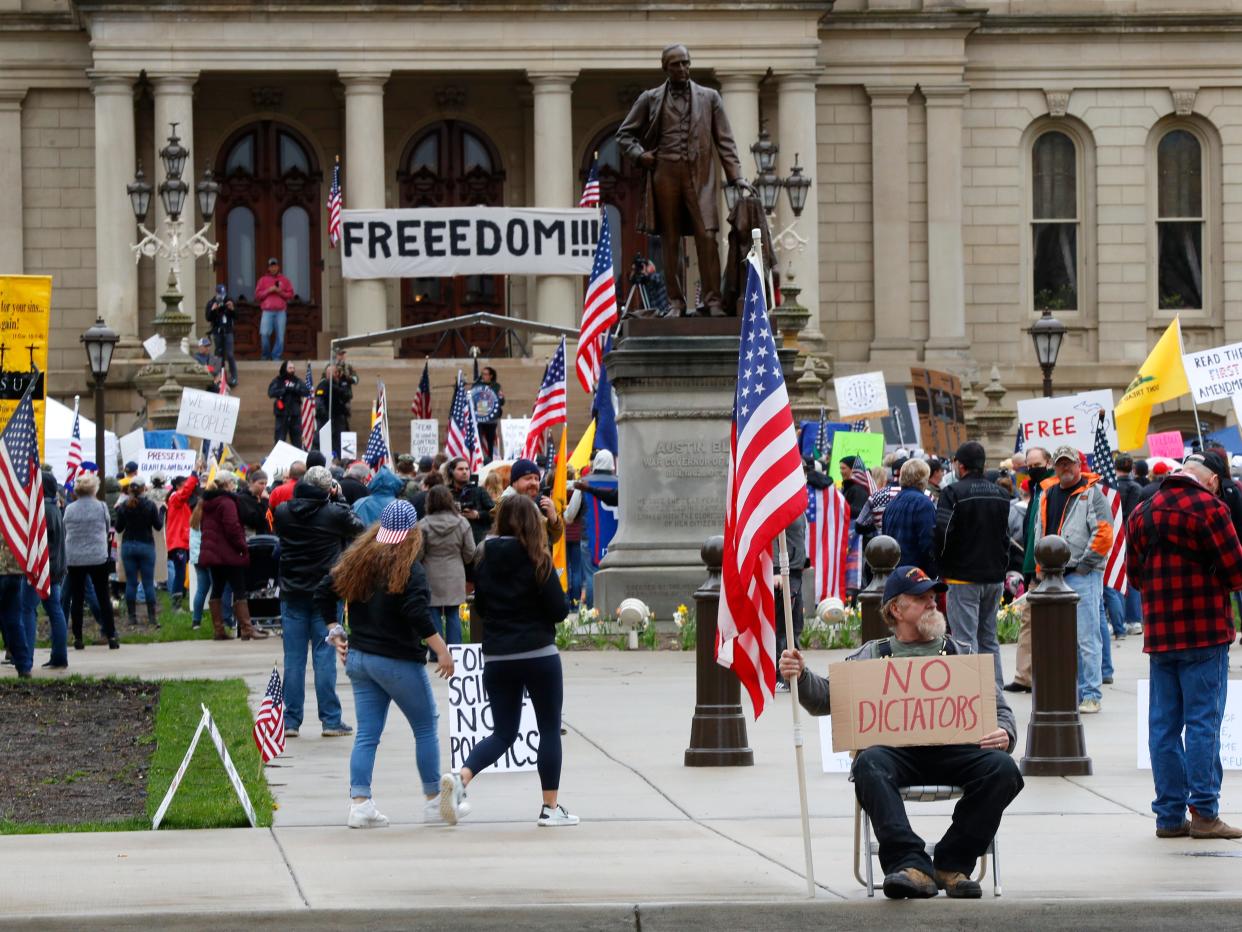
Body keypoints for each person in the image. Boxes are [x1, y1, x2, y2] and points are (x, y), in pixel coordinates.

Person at [779, 565, 1022, 900]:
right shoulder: (873, 655)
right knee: (868, 764)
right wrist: (802, 674)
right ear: (896, 608)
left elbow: (1002, 711)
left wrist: (1005, 733)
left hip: (954, 751)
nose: (932, 602)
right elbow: (825, 698)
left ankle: (952, 864)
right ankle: (910, 865)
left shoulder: (961, 653)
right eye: (921, 598)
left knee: (1003, 769)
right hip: (897, 755)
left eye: (933, 596)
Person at [439, 494, 574, 827]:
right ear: (532, 523)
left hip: (498, 657)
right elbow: (559, 610)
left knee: (502, 733)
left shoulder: (485, 561)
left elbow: (480, 608)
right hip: (539, 653)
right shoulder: (538, 559)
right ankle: (549, 808)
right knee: (548, 730)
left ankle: (462, 778)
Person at [1127, 452, 1242, 839]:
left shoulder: (1141, 512)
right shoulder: (1211, 508)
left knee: (1163, 726)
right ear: (1211, 480)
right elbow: (1236, 571)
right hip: (1205, 632)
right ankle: (1206, 813)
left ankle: (1169, 816)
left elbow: (1136, 576)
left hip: (1161, 636)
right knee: (1203, 724)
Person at [319, 499, 453, 829]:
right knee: (425, 727)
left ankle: (360, 804)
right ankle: (434, 800)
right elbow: (418, 614)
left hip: (360, 658)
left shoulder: (359, 560)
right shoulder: (410, 569)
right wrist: (442, 650)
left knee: (367, 733)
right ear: (412, 533)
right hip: (396, 661)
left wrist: (334, 630)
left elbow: (323, 591)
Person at [616, 44, 744, 317]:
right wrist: (640, 156)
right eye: (676, 64)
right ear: (666, 68)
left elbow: (725, 141)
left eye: (686, 63)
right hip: (665, 174)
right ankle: (676, 301)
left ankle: (712, 300)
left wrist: (737, 177)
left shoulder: (710, 98)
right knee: (670, 240)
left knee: (707, 236)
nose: (683, 68)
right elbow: (624, 135)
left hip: (700, 176)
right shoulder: (650, 98)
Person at [273, 465, 362, 738]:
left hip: (292, 590)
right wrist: (339, 497)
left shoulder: (283, 512)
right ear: (327, 489)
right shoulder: (333, 513)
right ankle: (331, 720)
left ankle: (290, 721)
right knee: (324, 657)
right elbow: (358, 527)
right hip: (326, 592)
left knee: (294, 658)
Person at [1033, 445, 1113, 714]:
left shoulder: (1092, 494)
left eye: (1069, 463)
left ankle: (1091, 694)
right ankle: (1075, 693)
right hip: (1053, 575)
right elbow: (1040, 530)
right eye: (1060, 464)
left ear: (1080, 465)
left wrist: (1084, 565)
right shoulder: (1047, 493)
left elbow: (1104, 533)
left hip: (1082, 575)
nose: (1065, 468)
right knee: (1063, 639)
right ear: (1054, 467)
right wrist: (1040, 565)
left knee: (1087, 637)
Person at [933, 441, 1011, 695]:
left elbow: (943, 533)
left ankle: (970, 695)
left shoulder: (952, 492)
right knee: (989, 637)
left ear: (960, 465)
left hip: (962, 577)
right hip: (994, 576)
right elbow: (1005, 536)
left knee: (964, 639)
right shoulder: (1000, 493)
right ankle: (994, 693)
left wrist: (940, 564)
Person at [198, 470, 269, 641]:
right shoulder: (227, 502)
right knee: (239, 588)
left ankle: (219, 629)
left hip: (213, 553)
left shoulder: (208, 502)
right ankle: (247, 628)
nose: (235, 486)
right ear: (228, 483)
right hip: (229, 552)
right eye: (233, 483)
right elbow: (232, 528)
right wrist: (242, 546)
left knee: (217, 588)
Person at [63, 473, 118, 651]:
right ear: (94, 489)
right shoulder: (101, 507)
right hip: (97, 556)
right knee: (103, 596)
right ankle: (111, 635)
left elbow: (66, 527)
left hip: (75, 557)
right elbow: (107, 524)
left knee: (77, 598)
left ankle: (78, 638)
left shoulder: (70, 509)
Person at [419, 485, 475, 654]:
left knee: (433, 612)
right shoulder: (462, 522)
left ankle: (437, 653)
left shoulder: (423, 525)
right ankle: (455, 651)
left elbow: (418, 553)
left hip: (430, 573)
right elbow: (470, 552)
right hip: (455, 572)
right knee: (453, 613)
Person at [115, 474, 164, 628]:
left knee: (131, 583)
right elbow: (158, 526)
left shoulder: (124, 506)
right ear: (144, 489)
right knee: (148, 583)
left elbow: (118, 528)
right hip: (146, 546)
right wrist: (162, 510)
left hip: (129, 546)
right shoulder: (150, 505)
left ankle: (131, 618)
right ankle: (152, 619)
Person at [883, 458, 938, 576]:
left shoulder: (892, 504)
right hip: (915, 575)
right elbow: (928, 543)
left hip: (894, 572)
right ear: (923, 480)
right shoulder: (923, 503)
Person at [39, 472, 70, 669]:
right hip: (57, 566)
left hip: (48, 568)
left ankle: (59, 655)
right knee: (55, 611)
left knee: (54, 611)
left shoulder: (46, 512)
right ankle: (58, 654)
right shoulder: (55, 509)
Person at [165, 473, 198, 610]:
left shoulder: (178, 501)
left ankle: (177, 603)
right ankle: (176, 606)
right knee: (179, 574)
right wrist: (194, 475)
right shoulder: (175, 498)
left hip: (181, 541)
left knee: (180, 573)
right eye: (185, 485)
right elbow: (185, 492)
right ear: (179, 486)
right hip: (178, 541)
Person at [447, 456, 494, 544]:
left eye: (467, 469)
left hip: (477, 540)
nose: (465, 472)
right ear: (451, 472)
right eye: (460, 469)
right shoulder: (446, 493)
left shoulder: (479, 491)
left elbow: (494, 513)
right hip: (454, 540)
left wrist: (478, 515)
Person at [256, 257, 294, 360]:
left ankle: (276, 356)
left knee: (280, 337)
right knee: (264, 334)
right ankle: (266, 356)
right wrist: (269, 290)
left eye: (275, 266)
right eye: (271, 266)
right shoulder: (263, 280)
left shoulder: (285, 280)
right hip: (267, 311)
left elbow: (290, 295)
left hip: (280, 312)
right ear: (268, 268)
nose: (273, 268)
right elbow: (258, 295)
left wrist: (279, 291)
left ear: (278, 267)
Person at [204, 284, 238, 387]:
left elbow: (236, 316)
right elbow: (208, 318)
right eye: (219, 294)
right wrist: (213, 310)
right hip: (217, 331)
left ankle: (234, 377)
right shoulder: (211, 302)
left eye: (223, 294)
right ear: (216, 293)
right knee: (218, 354)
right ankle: (218, 377)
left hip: (228, 331)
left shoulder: (230, 300)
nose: (221, 297)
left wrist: (232, 309)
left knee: (230, 354)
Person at [268, 362, 309, 446]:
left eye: (293, 368)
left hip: (295, 414)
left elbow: (306, 392)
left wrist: (295, 389)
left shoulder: (297, 381)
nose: (292, 370)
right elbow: (271, 392)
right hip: (282, 414)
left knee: (297, 440)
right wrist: (284, 390)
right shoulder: (278, 380)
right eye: (290, 368)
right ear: (285, 368)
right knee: (280, 439)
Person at [315, 364, 353, 455]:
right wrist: (325, 416)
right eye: (332, 373)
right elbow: (319, 402)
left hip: (339, 418)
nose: (335, 375)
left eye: (336, 372)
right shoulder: (323, 385)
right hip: (326, 419)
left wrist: (338, 389)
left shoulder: (341, 384)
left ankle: (341, 459)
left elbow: (347, 396)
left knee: (339, 441)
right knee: (324, 442)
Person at [473, 365, 505, 460]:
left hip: (491, 419)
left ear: (491, 376)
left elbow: (501, 402)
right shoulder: (477, 386)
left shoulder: (496, 386)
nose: (483, 376)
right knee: (478, 441)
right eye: (482, 374)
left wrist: (501, 397)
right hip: (479, 419)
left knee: (490, 441)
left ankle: (490, 459)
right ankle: (478, 459)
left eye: (486, 374)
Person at [236, 469, 270, 536]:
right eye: (261, 483)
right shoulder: (243, 498)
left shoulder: (262, 496)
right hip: (251, 537)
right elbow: (256, 521)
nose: (264, 486)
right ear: (252, 483)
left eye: (265, 484)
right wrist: (264, 502)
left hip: (264, 536)